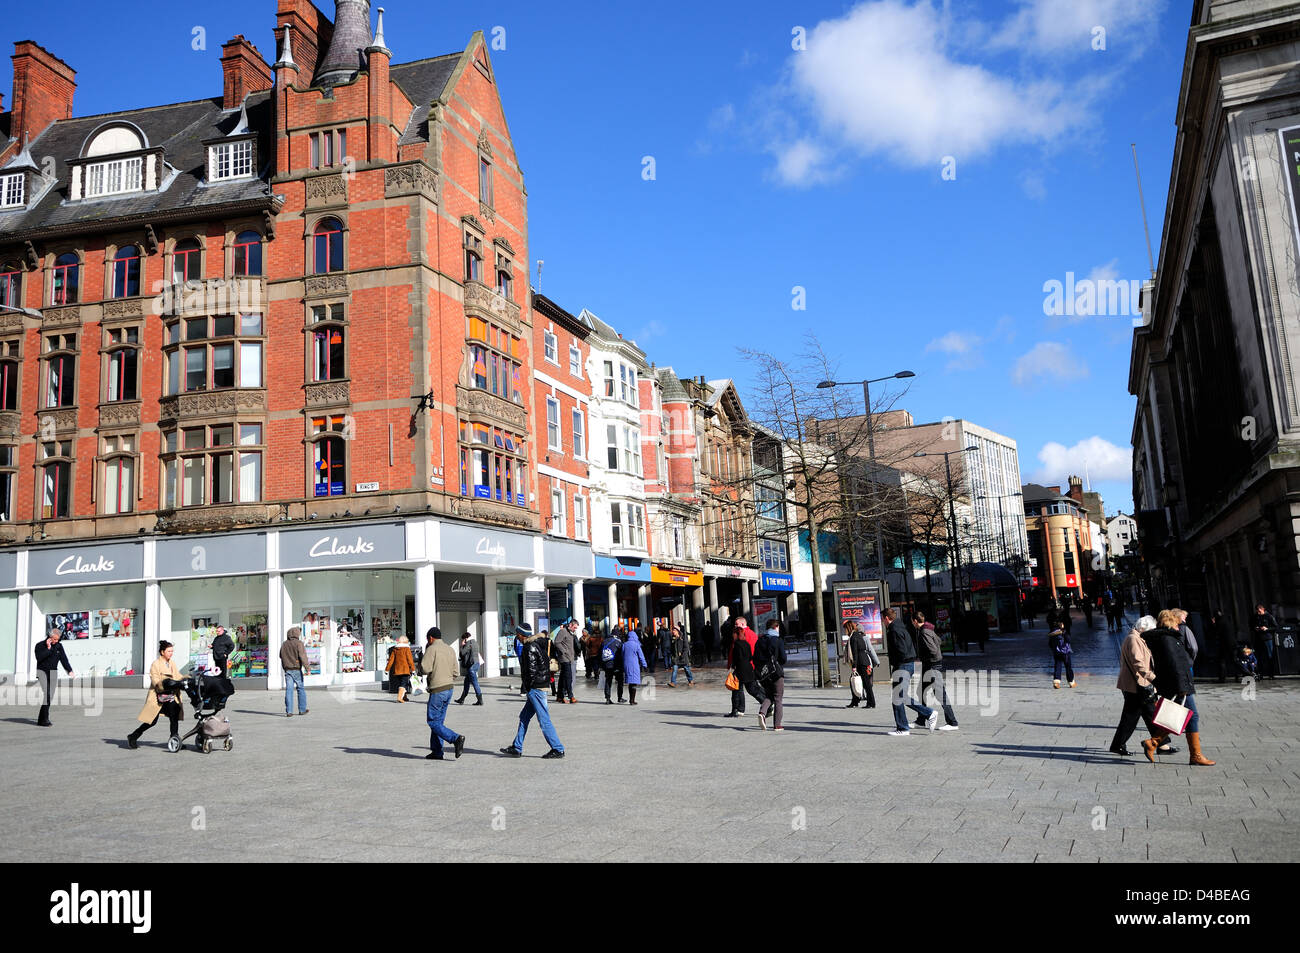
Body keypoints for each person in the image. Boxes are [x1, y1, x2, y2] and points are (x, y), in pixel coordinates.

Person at [1142, 609, 1213, 766]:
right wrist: (1182, 686)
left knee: (1180, 717)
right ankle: (1195, 755)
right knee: (1191, 716)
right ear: (1170, 622)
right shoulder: (1167, 639)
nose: (1179, 626)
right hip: (1177, 685)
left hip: (1174, 683)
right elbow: (1175, 665)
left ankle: (1153, 743)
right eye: (1177, 623)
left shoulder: (1166, 638)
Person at [500, 623, 565, 759]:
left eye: (517, 634)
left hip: (536, 688)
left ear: (521, 635)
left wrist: (529, 688)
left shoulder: (529, 648)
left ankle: (558, 748)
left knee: (544, 719)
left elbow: (531, 671)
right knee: (524, 716)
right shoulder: (535, 645)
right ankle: (517, 747)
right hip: (537, 687)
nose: (516, 636)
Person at [1109, 615, 1161, 757]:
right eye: (1150, 630)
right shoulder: (1133, 639)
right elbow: (1138, 663)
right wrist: (1153, 678)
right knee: (1130, 717)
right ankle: (1117, 745)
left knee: (1150, 713)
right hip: (1135, 685)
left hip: (1138, 684)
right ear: (1143, 628)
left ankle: (1161, 743)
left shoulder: (1138, 638)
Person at [127, 641, 185, 749]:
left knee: (174, 714)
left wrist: (187, 679)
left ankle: (174, 740)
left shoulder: (172, 663)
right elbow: (155, 681)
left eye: (172, 651)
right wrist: (165, 683)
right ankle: (133, 736)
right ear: (162, 652)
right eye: (169, 651)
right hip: (158, 698)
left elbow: (178, 676)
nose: (171, 653)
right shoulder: (156, 664)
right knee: (152, 721)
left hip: (170, 697)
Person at [884, 608, 933, 736]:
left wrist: (897, 664)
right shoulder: (901, 627)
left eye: (882, 619)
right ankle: (904, 725)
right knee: (899, 697)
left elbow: (902, 650)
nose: (882, 622)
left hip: (903, 665)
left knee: (898, 697)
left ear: (886, 618)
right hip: (906, 665)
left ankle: (922, 716)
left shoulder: (894, 630)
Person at [419, 626, 465, 761]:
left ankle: (455, 738)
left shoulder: (431, 649)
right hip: (449, 688)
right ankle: (437, 751)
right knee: (439, 721)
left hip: (437, 689)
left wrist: (420, 666)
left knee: (433, 721)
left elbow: (425, 668)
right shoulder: (450, 649)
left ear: (430, 638)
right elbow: (456, 672)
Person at [913, 611, 958, 730]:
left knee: (940, 694)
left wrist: (928, 658)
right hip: (929, 666)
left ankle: (952, 722)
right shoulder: (929, 629)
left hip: (932, 666)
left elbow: (933, 649)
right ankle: (921, 720)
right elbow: (939, 641)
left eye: (913, 622)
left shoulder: (924, 632)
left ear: (915, 621)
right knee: (920, 692)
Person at [726, 616, 766, 725]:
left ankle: (765, 703)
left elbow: (750, 653)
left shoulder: (746, 637)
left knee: (749, 689)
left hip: (744, 668)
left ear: (742, 625)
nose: (734, 626)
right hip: (747, 667)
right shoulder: (745, 638)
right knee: (746, 688)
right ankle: (740, 709)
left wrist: (733, 664)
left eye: (736, 624)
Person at [33, 628, 75, 727]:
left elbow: (64, 659)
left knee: (49, 696)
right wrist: (48, 648)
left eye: (58, 639)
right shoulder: (40, 645)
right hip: (42, 672)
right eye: (54, 639)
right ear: (49, 636)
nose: (56, 641)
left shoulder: (59, 646)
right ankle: (45, 719)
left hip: (53, 673)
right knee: (47, 694)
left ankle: (41, 719)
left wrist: (69, 670)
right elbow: (39, 658)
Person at [754, 620, 788, 731]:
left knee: (769, 695)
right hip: (776, 672)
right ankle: (777, 725)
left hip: (764, 674)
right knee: (778, 697)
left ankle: (762, 712)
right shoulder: (777, 640)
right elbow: (783, 658)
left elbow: (755, 657)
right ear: (776, 627)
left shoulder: (760, 640)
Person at [844, 621, 878, 709]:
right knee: (864, 683)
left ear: (848, 628)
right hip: (864, 661)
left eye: (845, 629)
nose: (845, 631)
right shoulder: (858, 635)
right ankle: (857, 701)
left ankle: (870, 703)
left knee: (863, 683)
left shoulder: (853, 638)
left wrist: (854, 667)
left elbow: (855, 653)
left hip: (860, 663)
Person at [279, 625, 310, 716]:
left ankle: (289, 711)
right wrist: (308, 668)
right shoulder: (299, 643)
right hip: (296, 669)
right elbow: (302, 656)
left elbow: (280, 655)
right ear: (297, 634)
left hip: (287, 669)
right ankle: (302, 709)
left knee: (289, 690)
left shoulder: (284, 644)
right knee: (300, 689)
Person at [552, 619, 580, 704]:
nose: (575, 629)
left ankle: (559, 696)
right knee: (568, 677)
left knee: (563, 678)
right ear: (571, 625)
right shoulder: (563, 631)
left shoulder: (571, 633)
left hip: (569, 658)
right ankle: (570, 696)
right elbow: (557, 642)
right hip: (564, 658)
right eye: (574, 627)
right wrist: (564, 651)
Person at [455, 632, 483, 705]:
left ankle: (480, 700)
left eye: (463, 639)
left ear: (465, 638)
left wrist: (462, 645)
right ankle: (462, 699)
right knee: (466, 681)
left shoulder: (469, 643)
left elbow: (462, 653)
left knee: (475, 682)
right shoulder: (475, 642)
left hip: (472, 667)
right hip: (476, 664)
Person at [386, 634, 415, 703]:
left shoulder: (395, 649)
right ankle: (399, 697)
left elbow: (391, 660)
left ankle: (404, 697)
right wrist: (413, 669)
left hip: (397, 670)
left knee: (402, 683)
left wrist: (387, 669)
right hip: (405, 670)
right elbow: (410, 660)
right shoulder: (406, 649)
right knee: (403, 684)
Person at [622, 628, 649, 705]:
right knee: (634, 682)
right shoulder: (637, 645)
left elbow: (622, 655)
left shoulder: (624, 644)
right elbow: (641, 656)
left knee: (630, 682)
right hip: (634, 665)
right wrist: (644, 665)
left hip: (626, 665)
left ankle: (631, 699)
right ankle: (632, 700)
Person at [1208, 610, 1234, 684]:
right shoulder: (1226, 620)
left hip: (1225, 644)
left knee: (1221, 661)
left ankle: (1222, 678)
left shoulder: (1219, 622)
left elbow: (1216, 632)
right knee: (1234, 660)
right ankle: (1248, 674)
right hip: (1231, 643)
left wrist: (1213, 624)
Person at [1252, 604, 1278, 679]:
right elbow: (1251, 625)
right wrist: (1255, 628)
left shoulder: (1269, 616)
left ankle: (1271, 674)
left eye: (1259, 611)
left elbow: (1275, 627)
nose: (1258, 613)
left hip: (1267, 639)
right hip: (1258, 639)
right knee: (1259, 657)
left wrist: (1267, 629)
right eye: (1257, 611)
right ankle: (1261, 674)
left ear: (1263, 609)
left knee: (1270, 656)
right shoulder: (1255, 617)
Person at [667, 623, 695, 687]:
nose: (673, 632)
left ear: (677, 631)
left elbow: (686, 648)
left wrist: (682, 655)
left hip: (683, 658)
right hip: (676, 658)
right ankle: (673, 682)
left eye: (674, 630)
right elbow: (672, 649)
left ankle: (691, 681)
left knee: (687, 670)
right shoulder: (673, 639)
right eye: (672, 630)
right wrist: (672, 657)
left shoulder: (682, 638)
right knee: (675, 669)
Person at [602, 627, 625, 704]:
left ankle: (608, 698)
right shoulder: (618, 642)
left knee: (608, 681)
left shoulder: (605, 641)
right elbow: (622, 653)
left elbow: (600, 653)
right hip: (617, 664)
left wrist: (601, 665)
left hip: (607, 664)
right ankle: (620, 697)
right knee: (620, 681)